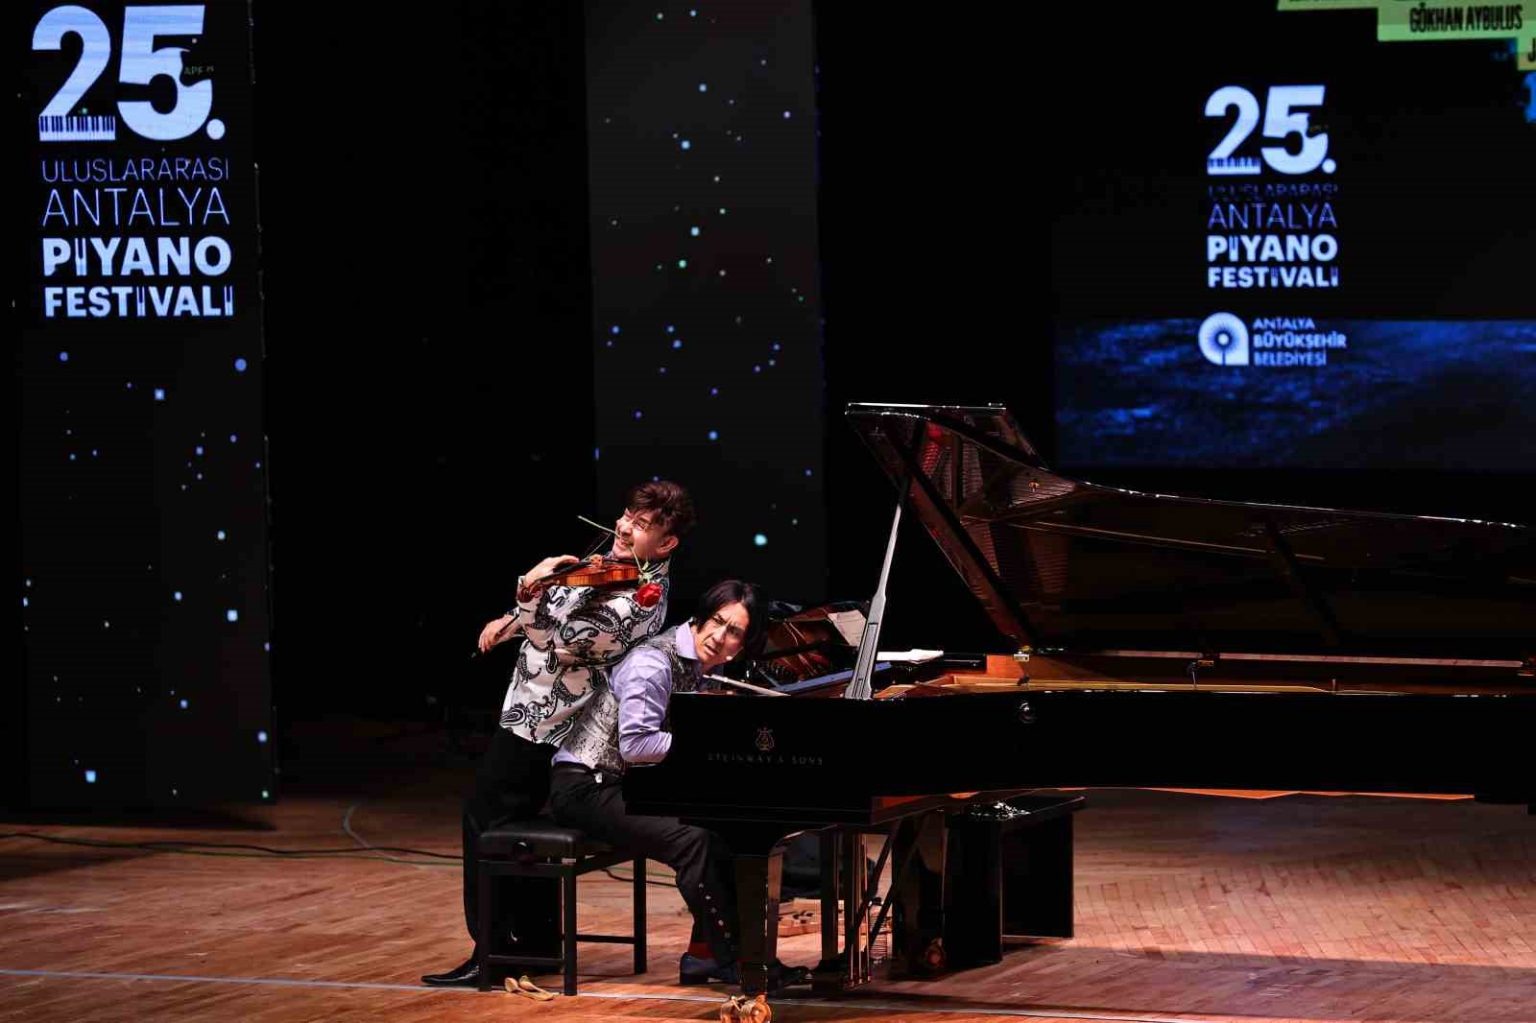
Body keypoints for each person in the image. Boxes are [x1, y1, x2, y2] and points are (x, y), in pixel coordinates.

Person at [421, 480, 696, 987]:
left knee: (484, 820)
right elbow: (561, 604)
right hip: (531, 710)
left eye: (640, 525)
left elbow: (555, 638)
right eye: (626, 515)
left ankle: (492, 953)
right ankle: (536, 945)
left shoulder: (639, 600)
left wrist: (528, 590)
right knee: (523, 831)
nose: (623, 528)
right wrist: (512, 619)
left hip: (545, 722)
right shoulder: (614, 565)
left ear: (667, 542)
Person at [548, 579, 790, 986]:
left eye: (734, 631)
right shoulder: (653, 664)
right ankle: (738, 961)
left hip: (630, 784)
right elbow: (636, 746)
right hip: (586, 786)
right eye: (717, 621)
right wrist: (709, 745)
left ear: (743, 644)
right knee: (694, 840)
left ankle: (705, 955)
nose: (720, 636)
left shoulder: (708, 668)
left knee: (733, 826)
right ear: (701, 617)